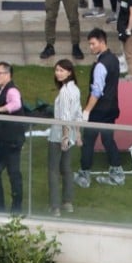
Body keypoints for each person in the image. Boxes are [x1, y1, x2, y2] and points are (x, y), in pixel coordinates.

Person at [74, 28, 124, 187]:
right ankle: (117, 174)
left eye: (93, 44)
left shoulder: (101, 65)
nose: (90, 47)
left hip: (99, 110)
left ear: (102, 42)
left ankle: (84, 175)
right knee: (108, 140)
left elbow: (96, 91)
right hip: (112, 108)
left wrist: (87, 111)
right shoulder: (114, 60)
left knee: (88, 141)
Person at [0, 62, 26, 214]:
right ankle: (14, 208)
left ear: (7, 75)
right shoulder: (5, 90)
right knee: (13, 174)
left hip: (9, 142)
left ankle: (2, 208)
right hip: (10, 141)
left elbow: (15, 104)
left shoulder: (12, 91)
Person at [48, 59, 82, 217]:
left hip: (59, 136)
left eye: (61, 70)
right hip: (70, 136)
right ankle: (67, 202)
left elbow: (66, 116)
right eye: (57, 70)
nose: (58, 73)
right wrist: (78, 134)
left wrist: (65, 137)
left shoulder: (64, 92)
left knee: (54, 170)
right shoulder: (75, 89)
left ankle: (55, 206)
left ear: (69, 72)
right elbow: (78, 114)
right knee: (67, 169)